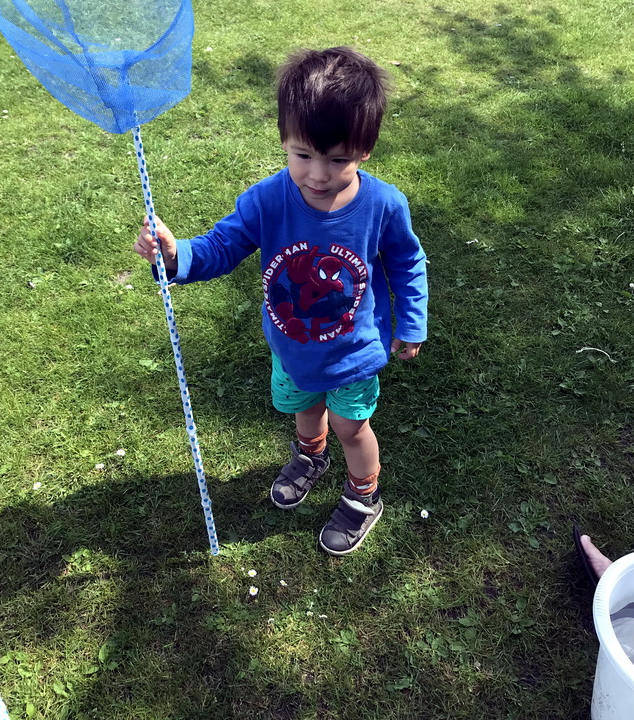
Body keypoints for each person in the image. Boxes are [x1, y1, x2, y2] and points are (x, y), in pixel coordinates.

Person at [134, 46, 428, 555]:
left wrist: (413, 322)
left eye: (337, 159)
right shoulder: (267, 200)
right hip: (291, 346)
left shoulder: (383, 205)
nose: (318, 174)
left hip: (353, 351)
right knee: (305, 410)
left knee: (350, 426)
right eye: (303, 155)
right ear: (284, 141)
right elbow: (223, 245)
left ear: (365, 149)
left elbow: (406, 261)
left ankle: (364, 494)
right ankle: (310, 456)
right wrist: (176, 254)